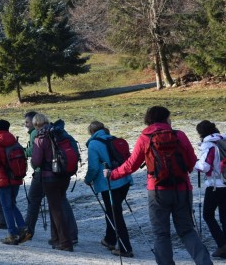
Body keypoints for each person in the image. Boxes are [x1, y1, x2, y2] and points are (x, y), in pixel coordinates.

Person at [105, 106, 213, 265]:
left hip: (157, 191)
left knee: (161, 234)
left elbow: (131, 165)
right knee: (187, 231)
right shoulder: (179, 135)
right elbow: (191, 162)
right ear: (165, 118)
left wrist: (112, 174)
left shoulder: (145, 137)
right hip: (182, 189)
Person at [25, 112, 78, 244]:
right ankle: (60, 237)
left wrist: (32, 162)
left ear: (35, 124)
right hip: (65, 174)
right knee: (60, 203)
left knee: (54, 209)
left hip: (49, 176)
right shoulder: (61, 133)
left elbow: (36, 161)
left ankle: (64, 241)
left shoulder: (40, 136)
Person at [84, 121, 133, 258]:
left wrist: (88, 180)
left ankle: (125, 248)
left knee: (115, 214)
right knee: (112, 211)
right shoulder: (114, 139)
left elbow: (93, 167)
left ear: (91, 132)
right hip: (124, 180)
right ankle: (110, 240)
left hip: (109, 183)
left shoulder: (94, 144)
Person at [0, 119, 32, 245]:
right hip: (16, 177)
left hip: (3, 178)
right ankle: (23, 228)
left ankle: (12, 234)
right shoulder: (14, 141)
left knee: (6, 206)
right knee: (12, 204)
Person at [195, 120, 226, 259]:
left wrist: (196, 163)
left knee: (208, 215)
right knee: (224, 216)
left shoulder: (209, 145)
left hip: (215, 185)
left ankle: (222, 245)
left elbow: (205, 167)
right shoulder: (223, 140)